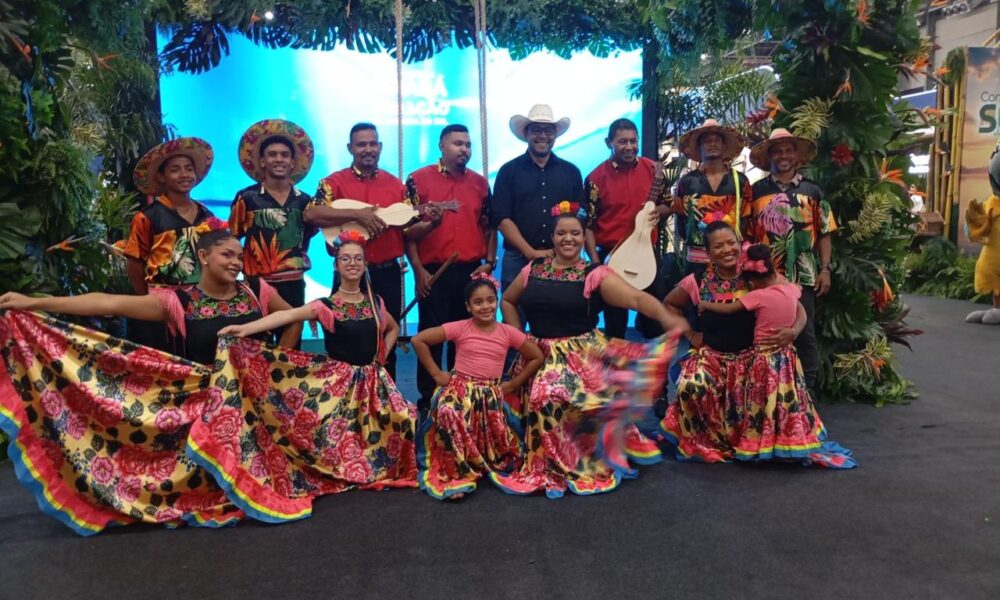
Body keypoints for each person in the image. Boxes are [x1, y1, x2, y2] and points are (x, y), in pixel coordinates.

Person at [0, 228, 299, 534]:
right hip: (206, 403)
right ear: (204, 257)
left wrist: (270, 369)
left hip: (255, 402)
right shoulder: (177, 301)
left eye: (239, 256)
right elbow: (109, 304)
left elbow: (294, 318)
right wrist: (33, 303)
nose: (236, 262)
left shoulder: (257, 291)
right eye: (227, 255)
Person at [489, 202, 689, 498]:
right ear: (553, 237)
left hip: (578, 357)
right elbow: (507, 300)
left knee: (549, 396)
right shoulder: (534, 268)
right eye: (561, 233)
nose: (568, 239)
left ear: (584, 238)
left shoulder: (595, 274)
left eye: (575, 233)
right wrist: (519, 337)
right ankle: (541, 452)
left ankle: (565, 461)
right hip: (536, 352)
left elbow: (635, 299)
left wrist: (666, 317)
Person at [217, 229, 418, 496]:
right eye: (345, 258)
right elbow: (286, 316)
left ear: (365, 264)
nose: (352, 263)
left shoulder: (375, 302)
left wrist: (383, 353)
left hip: (373, 381)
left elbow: (392, 328)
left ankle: (369, 462)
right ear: (336, 265)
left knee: (404, 418)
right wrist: (245, 329)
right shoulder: (325, 306)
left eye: (358, 258)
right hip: (340, 385)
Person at [696, 244, 856, 468]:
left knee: (763, 400)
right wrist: (792, 331)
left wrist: (704, 304)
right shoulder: (791, 289)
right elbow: (799, 306)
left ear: (752, 282)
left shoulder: (758, 296)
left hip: (764, 358)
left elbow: (729, 309)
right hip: (787, 357)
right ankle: (789, 440)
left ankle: (763, 441)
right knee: (787, 399)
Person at [658, 222, 803, 462]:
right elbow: (669, 305)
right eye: (718, 246)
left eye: (731, 243)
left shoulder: (758, 274)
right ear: (708, 253)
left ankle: (755, 441)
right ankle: (707, 440)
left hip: (754, 360)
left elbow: (798, 308)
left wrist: (793, 331)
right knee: (690, 387)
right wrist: (690, 335)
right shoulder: (696, 281)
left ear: (739, 243)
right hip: (712, 358)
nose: (727, 250)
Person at [411, 273, 544, 500]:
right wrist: (436, 374)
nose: (485, 306)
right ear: (468, 306)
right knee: (448, 410)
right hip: (459, 388)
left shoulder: (508, 332)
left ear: (497, 301)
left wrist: (514, 383)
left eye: (490, 300)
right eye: (478, 302)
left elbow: (537, 356)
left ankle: (478, 458)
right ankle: (456, 470)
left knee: (503, 444)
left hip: (490, 394)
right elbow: (418, 340)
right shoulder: (460, 327)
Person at [309, 122, 417, 379]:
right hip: (348, 273)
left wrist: (431, 220)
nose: (368, 149)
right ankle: (342, 390)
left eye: (372, 144)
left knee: (386, 335)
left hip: (387, 273)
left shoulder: (397, 186)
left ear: (380, 147)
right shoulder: (333, 183)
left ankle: (386, 394)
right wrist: (357, 214)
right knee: (341, 336)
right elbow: (311, 214)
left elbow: (410, 228)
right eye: (361, 144)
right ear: (350, 148)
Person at [405, 124, 497, 415]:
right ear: (441, 146)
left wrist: (490, 261)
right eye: (458, 144)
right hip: (434, 272)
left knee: (468, 338)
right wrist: (418, 270)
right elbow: (407, 233)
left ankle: (464, 397)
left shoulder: (480, 184)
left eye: (468, 144)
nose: (464, 149)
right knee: (431, 337)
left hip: (471, 272)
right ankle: (429, 401)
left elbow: (489, 227)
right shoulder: (418, 179)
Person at [747, 128, 835, 397]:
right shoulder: (756, 192)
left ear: (796, 156)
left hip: (803, 275)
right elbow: (747, 235)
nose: (783, 156)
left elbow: (825, 233)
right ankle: (766, 392)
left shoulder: (813, 190)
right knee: (762, 332)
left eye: (788, 150)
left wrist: (825, 269)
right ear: (769, 157)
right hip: (765, 277)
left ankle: (807, 394)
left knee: (804, 333)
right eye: (777, 151)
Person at [123, 137, 218, 352]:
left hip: (201, 303)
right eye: (175, 170)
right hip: (162, 303)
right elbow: (134, 263)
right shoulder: (147, 217)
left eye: (189, 169)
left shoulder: (207, 216)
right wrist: (147, 300)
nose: (184, 174)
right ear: (161, 177)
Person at [230, 119, 318, 346]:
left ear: (293, 162)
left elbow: (306, 237)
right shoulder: (247, 198)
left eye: (285, 155)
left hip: (294, 282)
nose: (279, 159)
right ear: (262, 161)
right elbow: (232, 238)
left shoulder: (305, 201)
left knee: (292, 342)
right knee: (257, 342)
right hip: (257, 284)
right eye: (272, 154)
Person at [585, 118, 671, 339]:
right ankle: (616, 358)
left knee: (655, 315)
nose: (630, 147)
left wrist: (658, 211)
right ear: (608, 143)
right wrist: (595, 262)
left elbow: (669, 204)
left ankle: (655, 358)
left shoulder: (653, 170)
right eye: (622, 142)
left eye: (634, 141)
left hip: (646, 251)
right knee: (615, 319)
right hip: (611, 254)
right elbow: (588, 225)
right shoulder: (595, 178)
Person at [492, 104, 588, 294]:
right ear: (526, 133)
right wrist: (530, 252)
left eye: (548, 130)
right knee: (513, 308)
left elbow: (580, 215)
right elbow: (501, 218)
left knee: (561, 308)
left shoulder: (571, 172)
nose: (542, 135)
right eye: (536, 130)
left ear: (555, 135)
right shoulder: (508, 171)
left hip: (561, 257)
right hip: (517, 258)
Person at [672, 119, 752, 277]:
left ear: (724, 146)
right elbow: (680, 221)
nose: (712, 144)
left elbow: (746, 220)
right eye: (707, 141)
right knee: (695, 293)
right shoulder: (687, 182)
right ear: (699, 147)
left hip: (731, 260)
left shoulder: (740, 181)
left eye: (717, 140)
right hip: (696, 261)